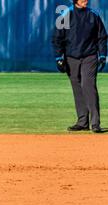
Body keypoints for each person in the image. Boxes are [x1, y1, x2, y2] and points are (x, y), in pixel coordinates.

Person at [52, 0, 107, 133]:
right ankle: (82, 122)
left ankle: (95, 124)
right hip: (71, 57)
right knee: (77, 88)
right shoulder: (65, 14)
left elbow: (102, 37)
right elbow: (57, 38)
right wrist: (59, 58)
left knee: (88, 85)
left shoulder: (93, 14)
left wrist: (102, 55)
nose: (86, 0)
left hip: (90, 56)